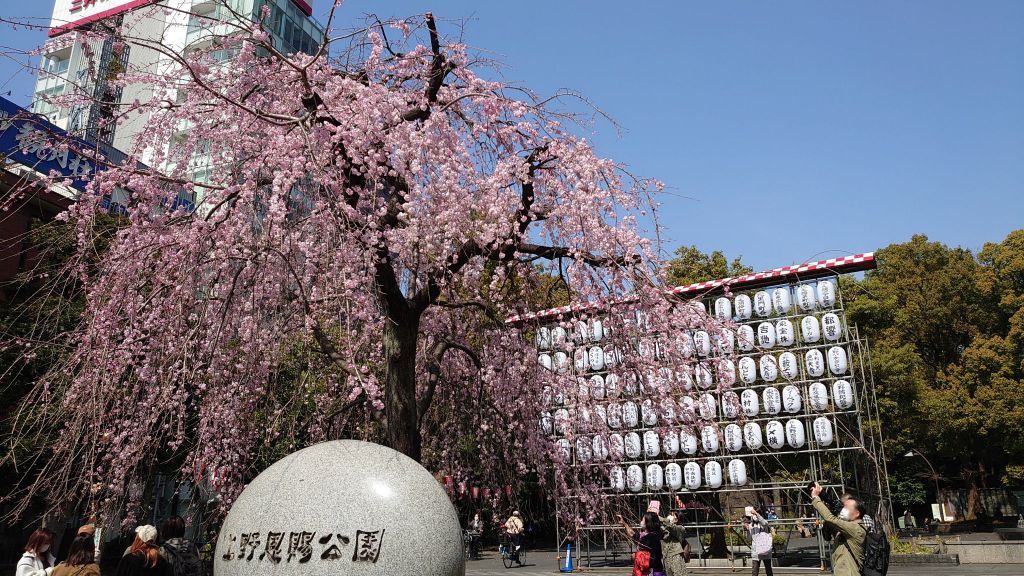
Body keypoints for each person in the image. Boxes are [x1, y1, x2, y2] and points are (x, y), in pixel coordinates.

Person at [811, 482, 866, 576]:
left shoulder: (856, 529)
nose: (842, 509)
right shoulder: (847, 528)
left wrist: (816, 498)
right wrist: (823, 495)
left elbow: (830, 518)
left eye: (846, 507)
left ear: (856, 513)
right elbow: (828, 534)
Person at [618, 510, 665, 576]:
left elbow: (651, 556)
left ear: (648, 522)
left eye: (643, 520)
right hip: (645, 570)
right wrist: (624, 524)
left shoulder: (652, 537)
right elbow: (632, 534)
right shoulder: (645, 535)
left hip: (652, 571)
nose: (641, 522)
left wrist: (636, 555)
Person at [743, 506, 774, 576]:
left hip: (765, 549)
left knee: (768, 570)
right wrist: (747, 530)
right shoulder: (751, 525)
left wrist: (756, 513)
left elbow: (765, 523)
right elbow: (749, 539)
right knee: (754, 571)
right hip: (756, 551)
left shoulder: (763, 524)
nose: (754, 516)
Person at [660, 504, 689, 576]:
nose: (669, 516)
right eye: (669, 514)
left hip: (676, 555)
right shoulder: (665, 528)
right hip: (666, 556)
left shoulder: (680, 528)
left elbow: (672, 527)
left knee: (679, 574)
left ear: (677, 519)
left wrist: (661, 518)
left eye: (672, 515)